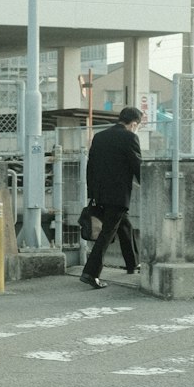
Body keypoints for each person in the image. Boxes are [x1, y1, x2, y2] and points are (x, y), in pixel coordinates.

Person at [80, 106, 142, 289]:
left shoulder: (100, 137)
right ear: (133, 124)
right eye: (138, 126)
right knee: (106, 234)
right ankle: (90, 273)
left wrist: (92, 193)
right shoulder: (130, 137)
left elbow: (90, 167)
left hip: (100, 193)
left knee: (125, 226)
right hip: (118, 194)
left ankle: (133, 263)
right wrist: (148, 184)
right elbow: (137, 164)